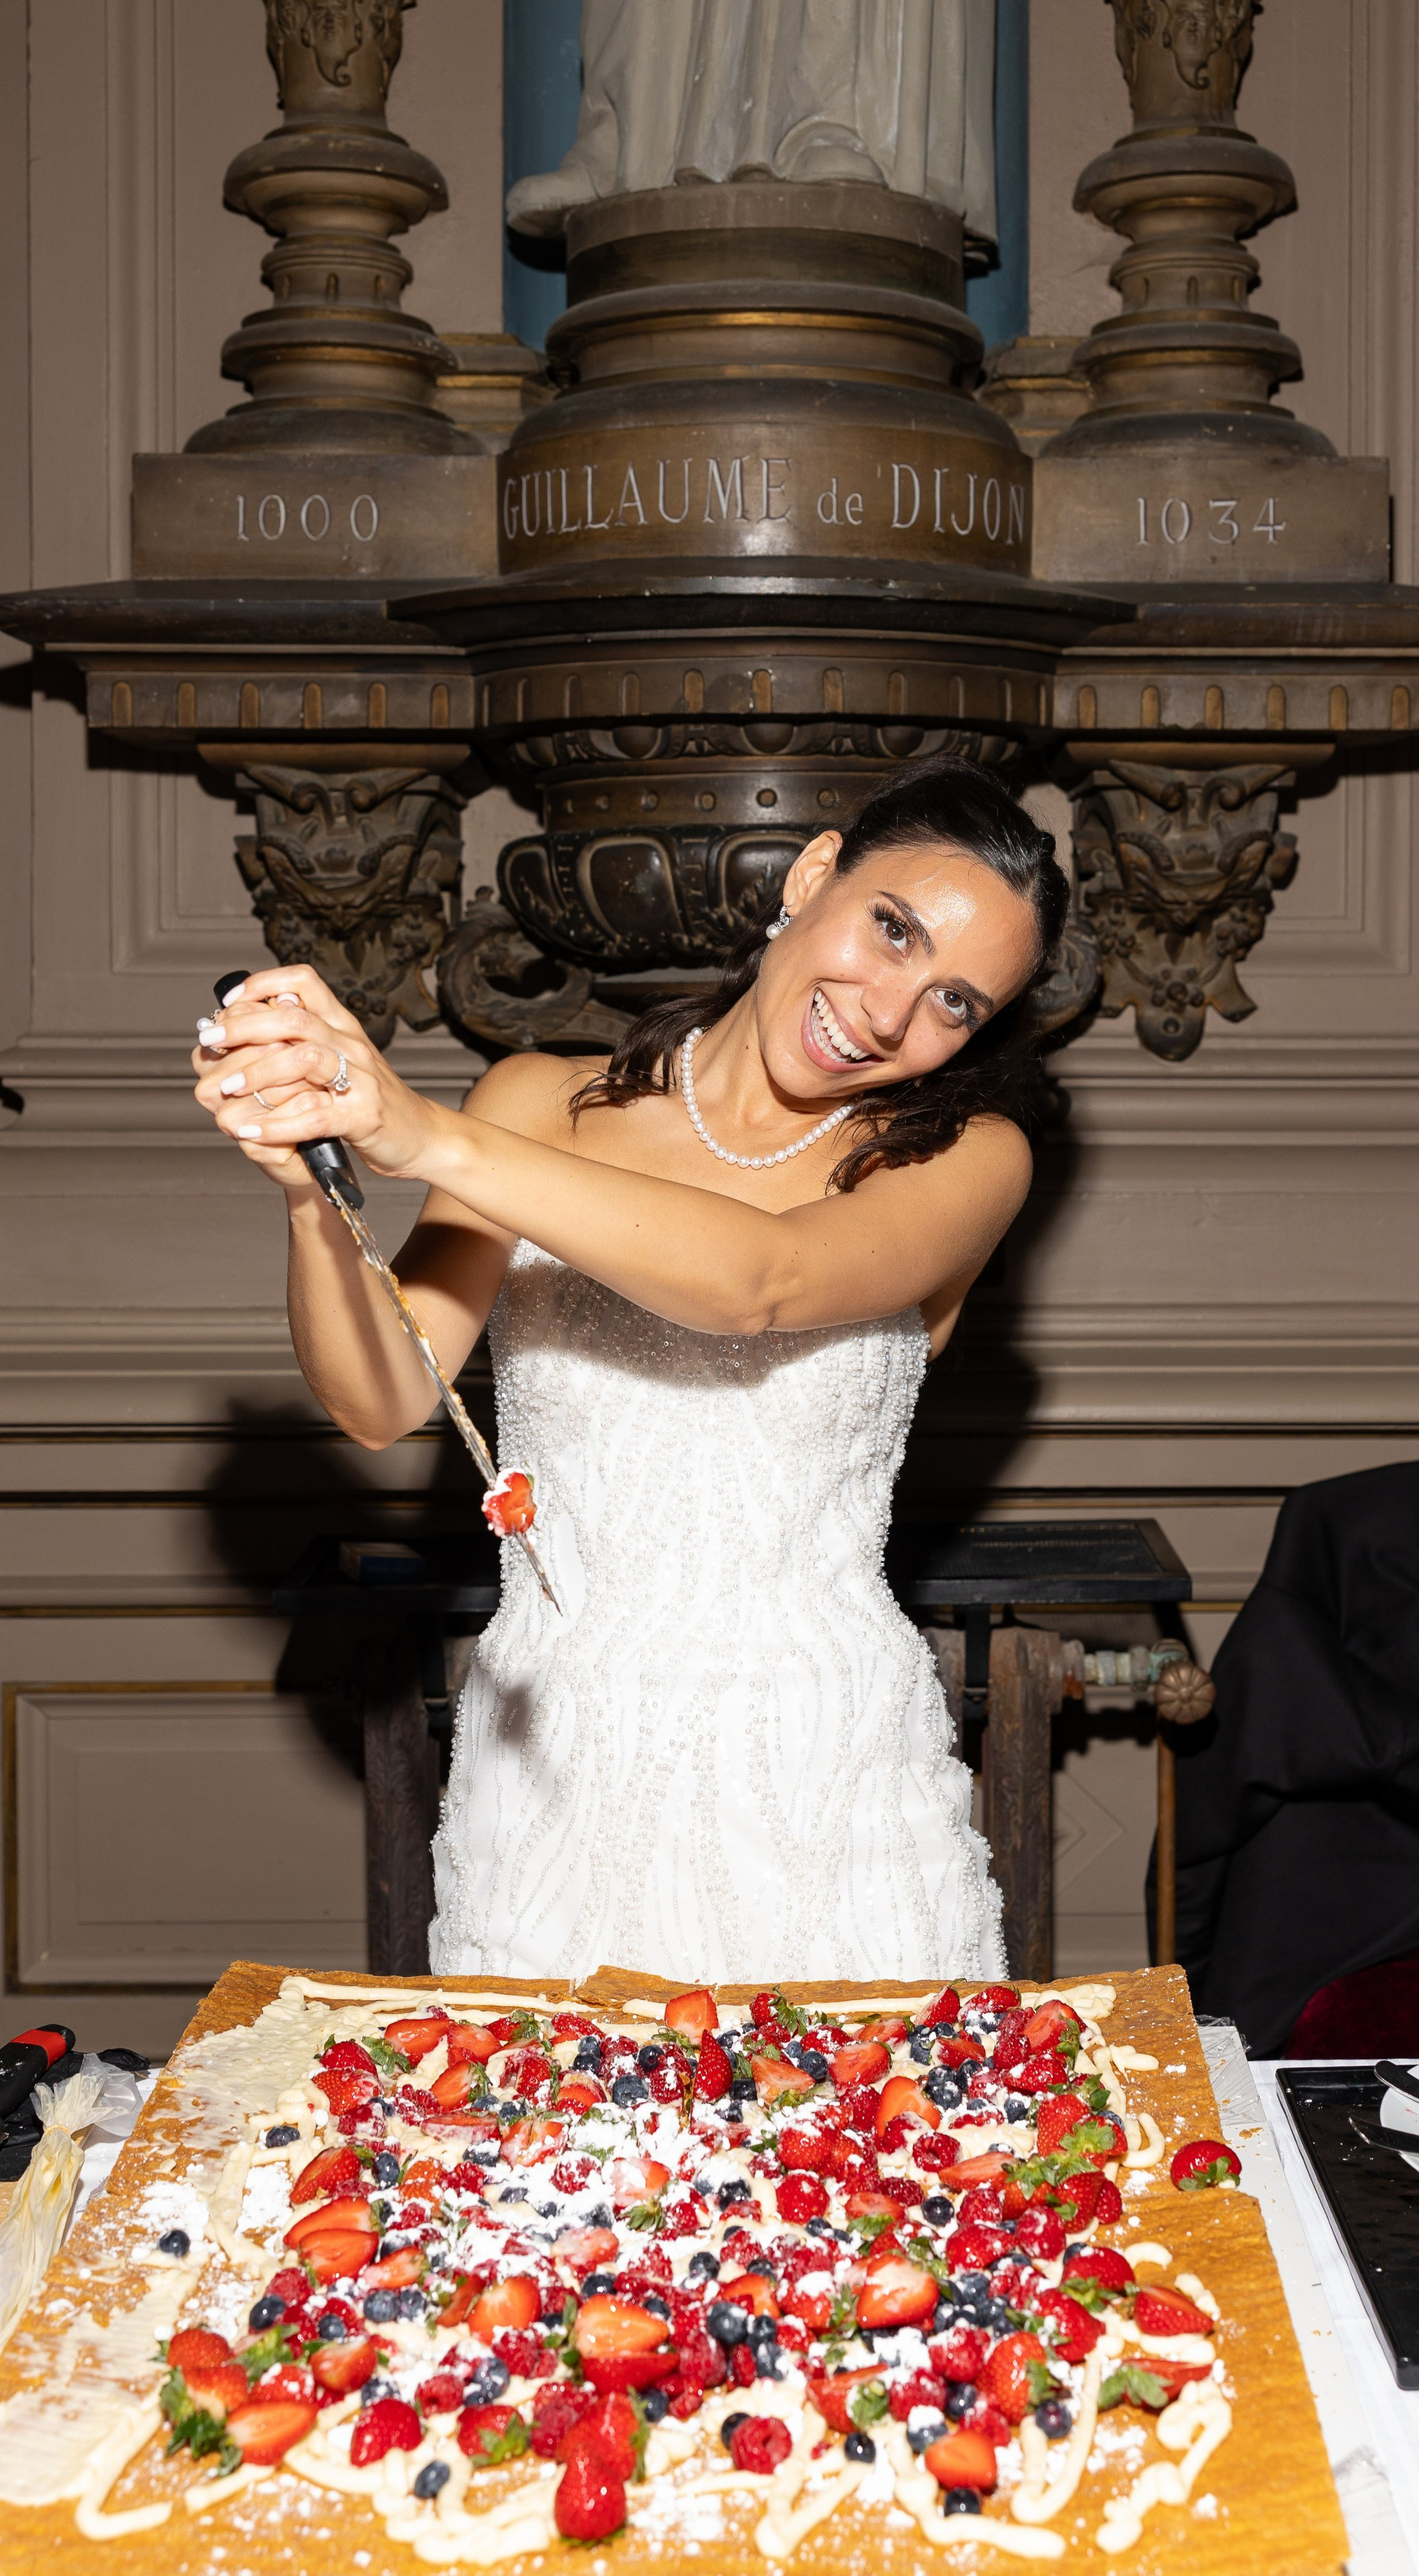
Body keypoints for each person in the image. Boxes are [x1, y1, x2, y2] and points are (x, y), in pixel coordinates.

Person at [192, 757, 1068, 1983]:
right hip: (552, 1772)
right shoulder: (534, 1105)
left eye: (954, 1002)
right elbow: (383, 1398)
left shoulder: (967, 1159)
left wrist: (421, 1131)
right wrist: (311, 1185)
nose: (887, 1013)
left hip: (826, 1784)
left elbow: (762, 1282)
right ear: (814, 874)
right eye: (891, 930)